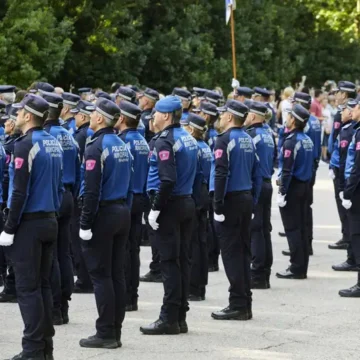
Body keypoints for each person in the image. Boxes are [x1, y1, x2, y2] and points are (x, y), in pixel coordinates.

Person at [0, 94, 63, 360]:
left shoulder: (26, 145)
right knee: (43, 286)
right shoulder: (53, 141)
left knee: (28, 289)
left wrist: (9, 227)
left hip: (30, 223)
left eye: (19, 112)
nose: (14, 116)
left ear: (28, 115)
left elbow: (19, 192)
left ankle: (33, 349)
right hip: (50, 218)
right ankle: (44, 348)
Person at [140, 96, 197, 335]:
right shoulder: (188, 137)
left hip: (169, 206)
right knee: (181, 261)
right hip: (186, 202)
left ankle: (169, 318)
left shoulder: (164, 141)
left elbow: (167, 179)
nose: (152, 117)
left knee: (169, 263)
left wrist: (155, 208)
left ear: (165, 115)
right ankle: (180, 315)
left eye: (155, 113)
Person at [78, 98, 133, 349]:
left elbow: (91, 190)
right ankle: (116, 330)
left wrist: (86, 223)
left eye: (92, 114)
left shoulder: (95, 146)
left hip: (104, 214)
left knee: (101, 276)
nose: (89, 117)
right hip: (122, 211)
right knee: (116, 274)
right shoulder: (122, 144)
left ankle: (105, 333)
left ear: (100, 118)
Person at [210, 100, 261, 321]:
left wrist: (218, 204)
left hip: (230, 200)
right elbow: (257, 173)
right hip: (246, 198)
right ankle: (244, 301)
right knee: (243, 252)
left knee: (231, 254)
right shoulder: (249, 139)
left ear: (230, 117)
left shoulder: (224, 140)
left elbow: (221, 173)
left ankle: (238, 304)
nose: (220, 117)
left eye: (223, 115)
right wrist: (254, 200)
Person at [42, 92, 80, 326]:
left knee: (52, 255)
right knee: (64, 252)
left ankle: (55, 306)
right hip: (68, 195)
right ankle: (63, 304)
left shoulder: (45, 136)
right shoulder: (69, 135)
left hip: (53, 196)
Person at [116, 100, 149, 312]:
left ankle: (127, 296)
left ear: (122, 118)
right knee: (133, 249)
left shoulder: (123, 141)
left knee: (124, 250)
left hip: (128, 198)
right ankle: (132, 295)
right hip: (141, 197)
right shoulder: (143, 141)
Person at [276, 104, 314, 279]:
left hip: (294, 187)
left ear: (294, 120)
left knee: (293, 229)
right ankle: (302, 266)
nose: (287, 117)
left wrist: (282, 190)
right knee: (301, 228)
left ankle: (296, 267)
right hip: (305, 186)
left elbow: (287, 169)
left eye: (290, 115)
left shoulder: (291, 141)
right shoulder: (307, 139)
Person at [245, 101, 275, 289]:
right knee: (264, 229)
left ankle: (257, 273)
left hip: (257, 184)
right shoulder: (268, 133)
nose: (246, 117)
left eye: (248, 114)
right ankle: (264, 273)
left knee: (256, 231)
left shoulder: (253, 136)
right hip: (267, 183)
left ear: (254, 116)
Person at [183, 113, 212, 301]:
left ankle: (193, 287)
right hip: (205, 193)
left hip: (196, 193)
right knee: (201, 243)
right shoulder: (206, 147)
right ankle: (200, 286)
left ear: (192, 130)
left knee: (193, 244)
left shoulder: (193, 147)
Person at [71, 101, 96, 294]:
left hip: (82, 190)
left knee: (79, 239)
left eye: (77, 114)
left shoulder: (81, 135)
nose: (74, 117)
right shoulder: (90, 134)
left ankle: (83, 279)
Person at [328, 81, 357, 250]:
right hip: (338, 162)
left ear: (344, 95)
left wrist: (335, 164)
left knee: (343, 202)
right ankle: (346, 234)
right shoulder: (341, 113)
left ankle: (347, 236)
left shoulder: (344, 115)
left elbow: (341, 143)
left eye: (338, 93)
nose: (336, 96)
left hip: (341, 165)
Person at [332, 99, 357, 272]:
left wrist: (343, 189)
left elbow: (347, 162)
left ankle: (352, 259)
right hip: (350, 181)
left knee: (352, 226)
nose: (342, 113)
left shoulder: (350, 132)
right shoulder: (351, 130)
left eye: (347, 109)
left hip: (351, 183)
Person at [0, 106, 21, 304]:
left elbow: (8, 178)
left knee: (9, 249)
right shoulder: (9, 144)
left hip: (9, 201)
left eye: (8, 121)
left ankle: (12, 286)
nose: (5, 124)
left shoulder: (14, 145)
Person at [196, 102, 220, 272]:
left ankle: (211, 258)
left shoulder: (209, 137)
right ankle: (212, 258)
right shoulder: (214, 135)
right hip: (209, 183)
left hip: (207, 184)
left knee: (209, 226)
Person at [339, 97, 360, 297]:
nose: (352, 110)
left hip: (357, 192)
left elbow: (357, 168)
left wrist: (347, 191)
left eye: (356, 106)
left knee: (357, 235)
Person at [139, 110, 163, 283]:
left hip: (156, 193)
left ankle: (157, 268)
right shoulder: (150, 140)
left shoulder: (157, 141)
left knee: (156, 233)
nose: (151, 121)